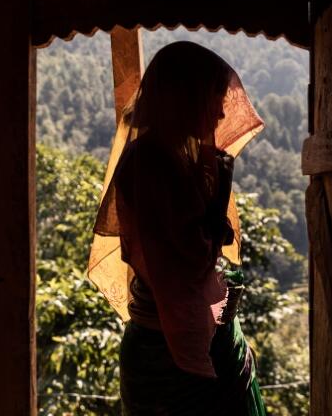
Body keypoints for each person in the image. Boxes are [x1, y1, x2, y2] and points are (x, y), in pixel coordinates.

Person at [90, 40, 267, 415]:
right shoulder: (152, 165)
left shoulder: (174, 159)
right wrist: (221, 192)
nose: (221, 113)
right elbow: (193, 255)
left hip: (193, 336)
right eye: (213, 98)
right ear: (185, 98)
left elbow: (213, 238)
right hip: (171, 355)